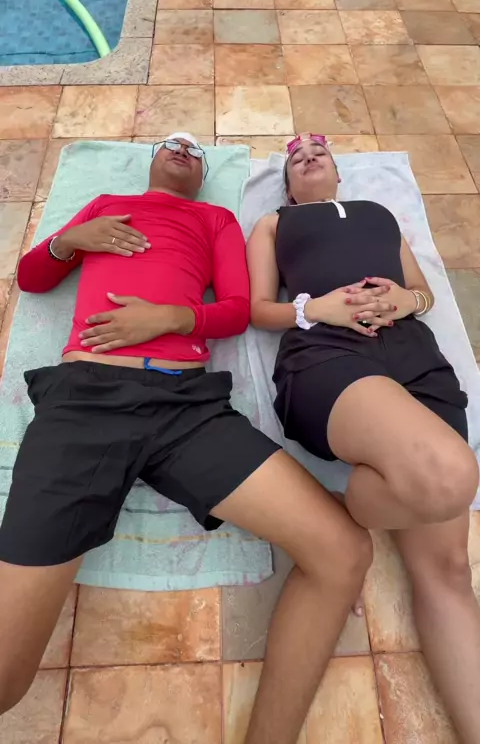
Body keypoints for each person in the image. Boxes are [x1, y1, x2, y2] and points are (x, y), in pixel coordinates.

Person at [0, 132, 372, 744]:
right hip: (85, 404)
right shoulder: (106, 204)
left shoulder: (213, 218)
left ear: (202, 175)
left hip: (185, 408)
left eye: (196, 149)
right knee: (4, 677)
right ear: (151, 162)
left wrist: (172, 318)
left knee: (345, 552)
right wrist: (69, 240)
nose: (183, 147)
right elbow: (33, 278)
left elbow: (236, 309)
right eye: (171, 143)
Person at [247, 132, 480, 744]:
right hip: (327, 355)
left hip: (417, 358)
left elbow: (424, 294)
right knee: (450, 476)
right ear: (288, 187)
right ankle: (352, 507)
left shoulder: (380, 214)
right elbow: (257, 310)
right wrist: (314, 309)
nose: (308, 155)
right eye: (296, 156)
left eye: (318, 150)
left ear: (339, 171)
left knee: (450, 571)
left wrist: (408, 299)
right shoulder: (274, 225)